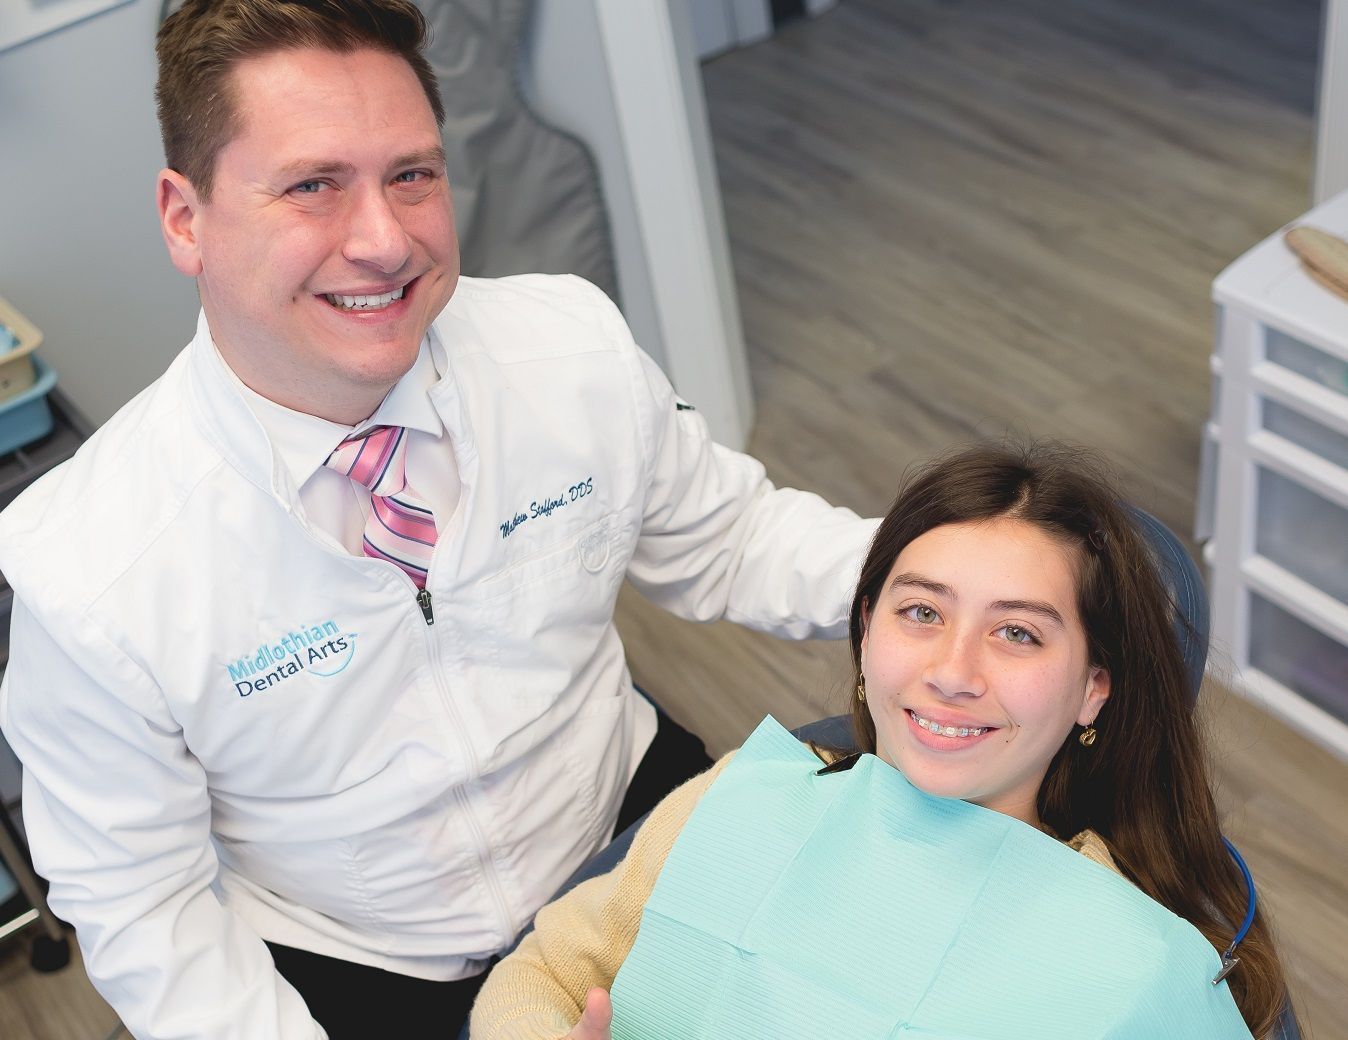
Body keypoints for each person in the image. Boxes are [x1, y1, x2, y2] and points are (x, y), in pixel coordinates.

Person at [0, 2, 875, 1038]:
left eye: (411, 174)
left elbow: (734, 541)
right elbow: (144, 903)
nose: (383, 242)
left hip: (634, 839)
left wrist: (949, 583)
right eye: (313, 185)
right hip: (363, 965)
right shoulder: (89, 565)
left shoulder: (568, 348)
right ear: (185, 217)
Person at [470, 442, 1298, 1040]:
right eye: (922, 613)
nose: (952, 670)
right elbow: (542, 970)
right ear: (866, 631)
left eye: (1016, 634)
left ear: (1095, 687)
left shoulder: (1137, 972)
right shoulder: (734, 805)